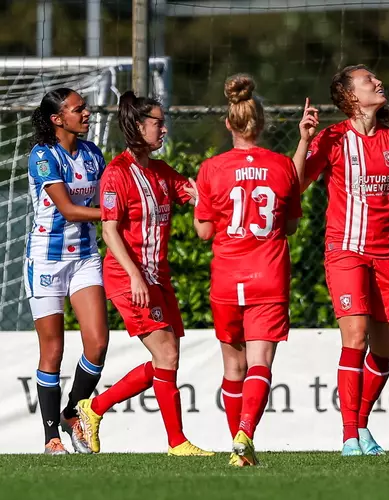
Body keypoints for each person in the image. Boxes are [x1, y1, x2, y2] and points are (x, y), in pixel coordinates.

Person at [292, 65, 389, 456]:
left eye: (378, 79)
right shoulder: (331, 139)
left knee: (385, 350)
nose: (379, 83)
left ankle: (361, 427)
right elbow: (294, 185)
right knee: (356, 338)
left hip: (387, 255)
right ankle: (349, 435)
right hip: (345, 251)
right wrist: (303, 141)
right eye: (369, 81)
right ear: (349, 96)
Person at [75, 91, 213, 457]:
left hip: (158, 279)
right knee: (166, 356)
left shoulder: (161, 172)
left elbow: (199, 195)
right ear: (138, 126)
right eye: (157, 122)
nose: (164, 129)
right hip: (129, 280)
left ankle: (93, 408)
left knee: (166, 360)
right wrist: (135, 276)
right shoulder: (116, 174)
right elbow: (109, 230)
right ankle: (176, 442)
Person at [192, 74, 302, 467]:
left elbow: (204, 232)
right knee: (260, 365)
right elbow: (289, 225)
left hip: (227, 277)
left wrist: (196, 202)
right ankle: (245, 439)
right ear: (262, 122)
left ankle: (238, 448)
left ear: (229, 124)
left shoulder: (212, 169)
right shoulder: (284, 167)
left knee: (233, 367)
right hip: (268, 277)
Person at [24, 88, 109, 455]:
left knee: (98, 342)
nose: (86, 113)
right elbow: (70, 210)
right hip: (46, 259)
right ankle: (51, 439)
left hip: (85, 257)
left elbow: (110, 196)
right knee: (53, 350)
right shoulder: (43, 156)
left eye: (85, 107)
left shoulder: (92, 154)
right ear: (58, 119)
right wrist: (116, 215)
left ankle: (73, 412)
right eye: (79, 109)